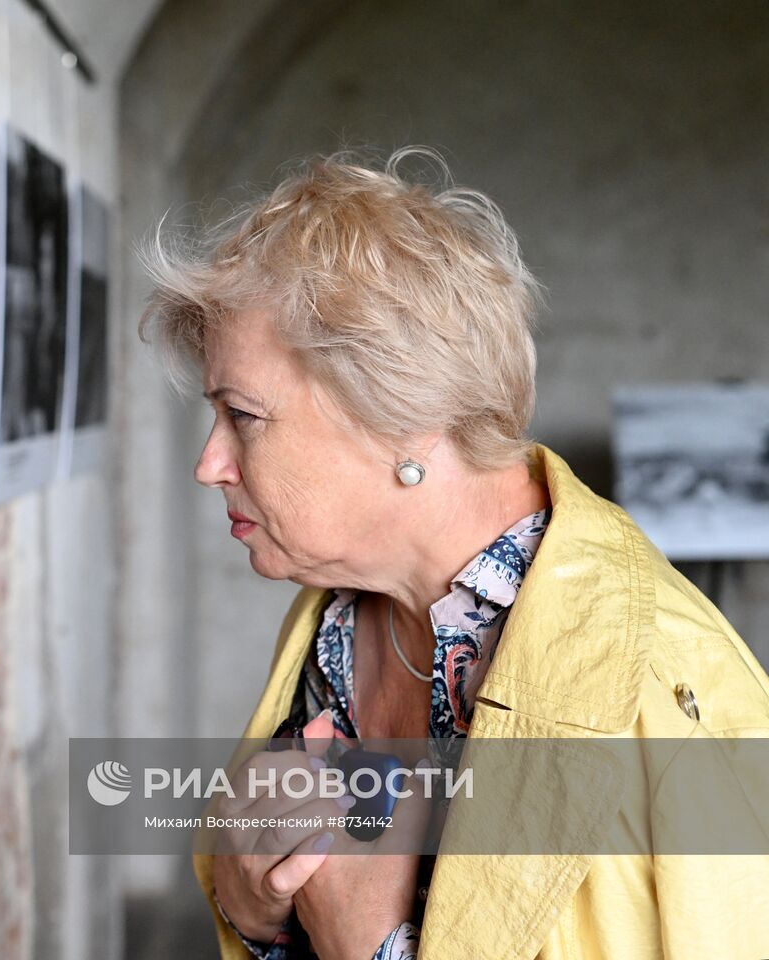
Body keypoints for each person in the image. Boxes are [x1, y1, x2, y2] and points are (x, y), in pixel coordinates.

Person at [136, 146, 769, 960]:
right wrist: (251, 904)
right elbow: (269, 880)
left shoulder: (671, 699)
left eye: (244, 416)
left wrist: (371, 946)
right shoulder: (338, 605)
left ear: (401, 414)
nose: (209, 464)